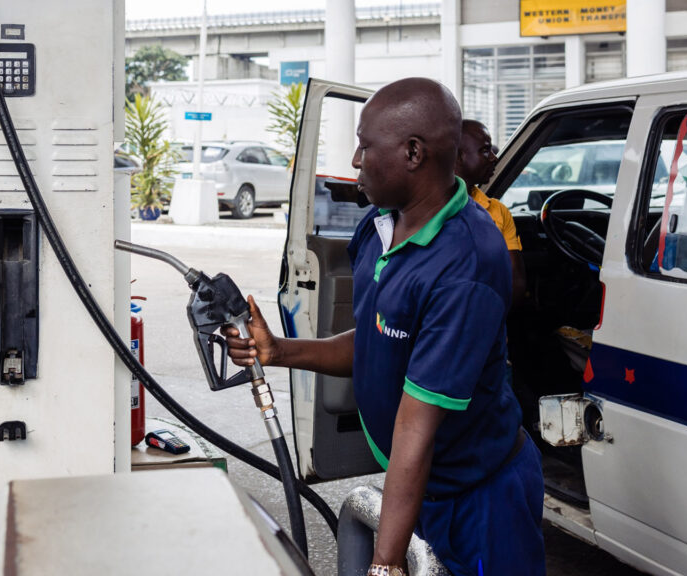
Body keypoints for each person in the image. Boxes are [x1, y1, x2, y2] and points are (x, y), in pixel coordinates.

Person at [225, 78, 545, 576]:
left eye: (365, 145)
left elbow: (416, 426)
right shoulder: (379, 224)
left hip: (481, 495)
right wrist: (277, 351)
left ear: (413, 153)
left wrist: (385, 563)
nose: (355, 160)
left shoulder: (467, 265)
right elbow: (376, 340)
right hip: (420, 484)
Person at [455, 119, 526, 305]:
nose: (494, 157)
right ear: (457, 156)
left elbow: (515, 280)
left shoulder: (498, 210)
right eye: (485, 150)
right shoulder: (425, 209)